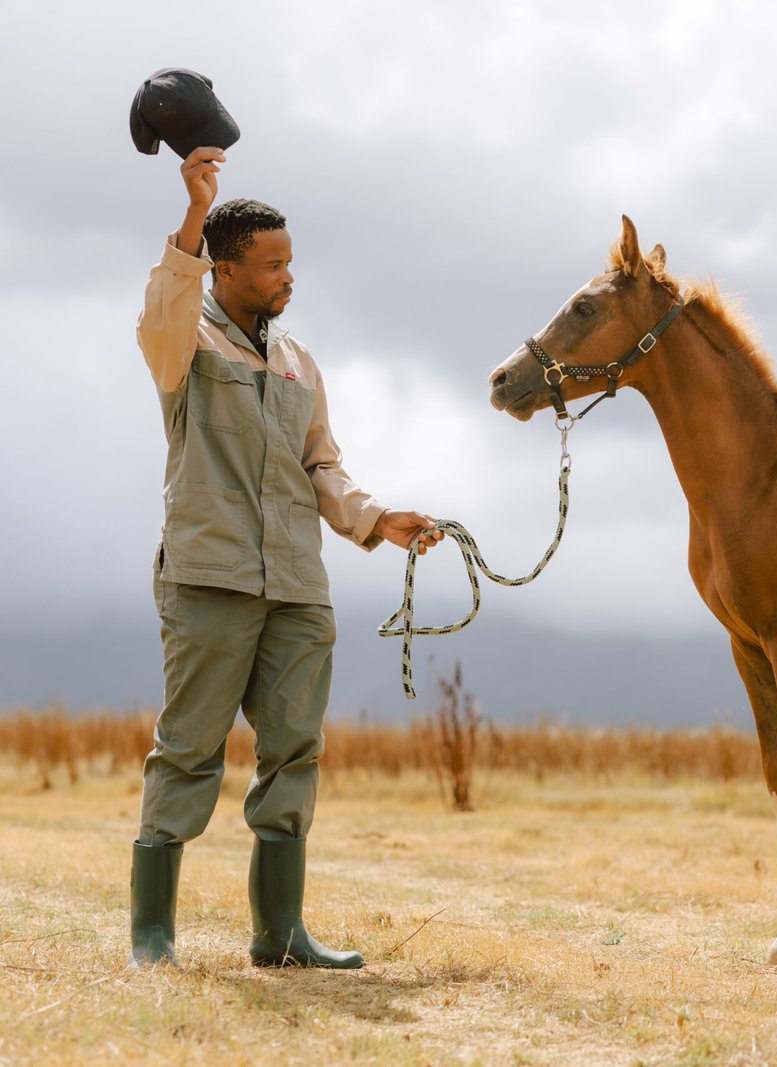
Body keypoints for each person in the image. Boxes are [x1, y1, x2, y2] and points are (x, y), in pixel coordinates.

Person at [130, 145, 443, 969]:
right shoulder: (183, 344)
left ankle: (280, 936)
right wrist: (195, 212)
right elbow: (166, 299)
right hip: (209, 578)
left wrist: (381, 521)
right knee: (189, 748)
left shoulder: (301, 362)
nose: (286, 276)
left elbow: (322, 467)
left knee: (295, 750)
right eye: (270, 265)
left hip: (299, 588)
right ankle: (153, 938)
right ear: (224, 270)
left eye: (290, 262)